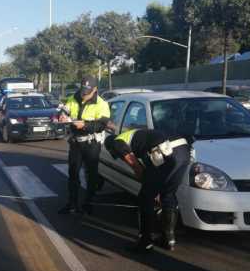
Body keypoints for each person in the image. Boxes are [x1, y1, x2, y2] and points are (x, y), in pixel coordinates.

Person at [104, 127, 191, 251]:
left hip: (165, 152)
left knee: (145, 198)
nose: (119, 157)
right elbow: (151, 165)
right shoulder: (138, 135)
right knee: (168, 194)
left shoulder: (117, 142)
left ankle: (145, 241)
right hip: (183, 151)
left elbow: (136, 167)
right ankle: (168, 239)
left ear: (111, 147)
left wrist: (150, 188)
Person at [58, 75, 110, 215]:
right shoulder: (73, 98)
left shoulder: (101, 104)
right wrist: (62, 115)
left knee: (91, 174)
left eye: (87, 92)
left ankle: (89, 203)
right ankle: (72, 204)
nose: (84, 94)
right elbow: (65, 110)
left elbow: (102, 124)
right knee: (73, 173)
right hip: (76, 142)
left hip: (91, 143)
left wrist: (85, 125)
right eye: (83, 91)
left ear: (95, 89)